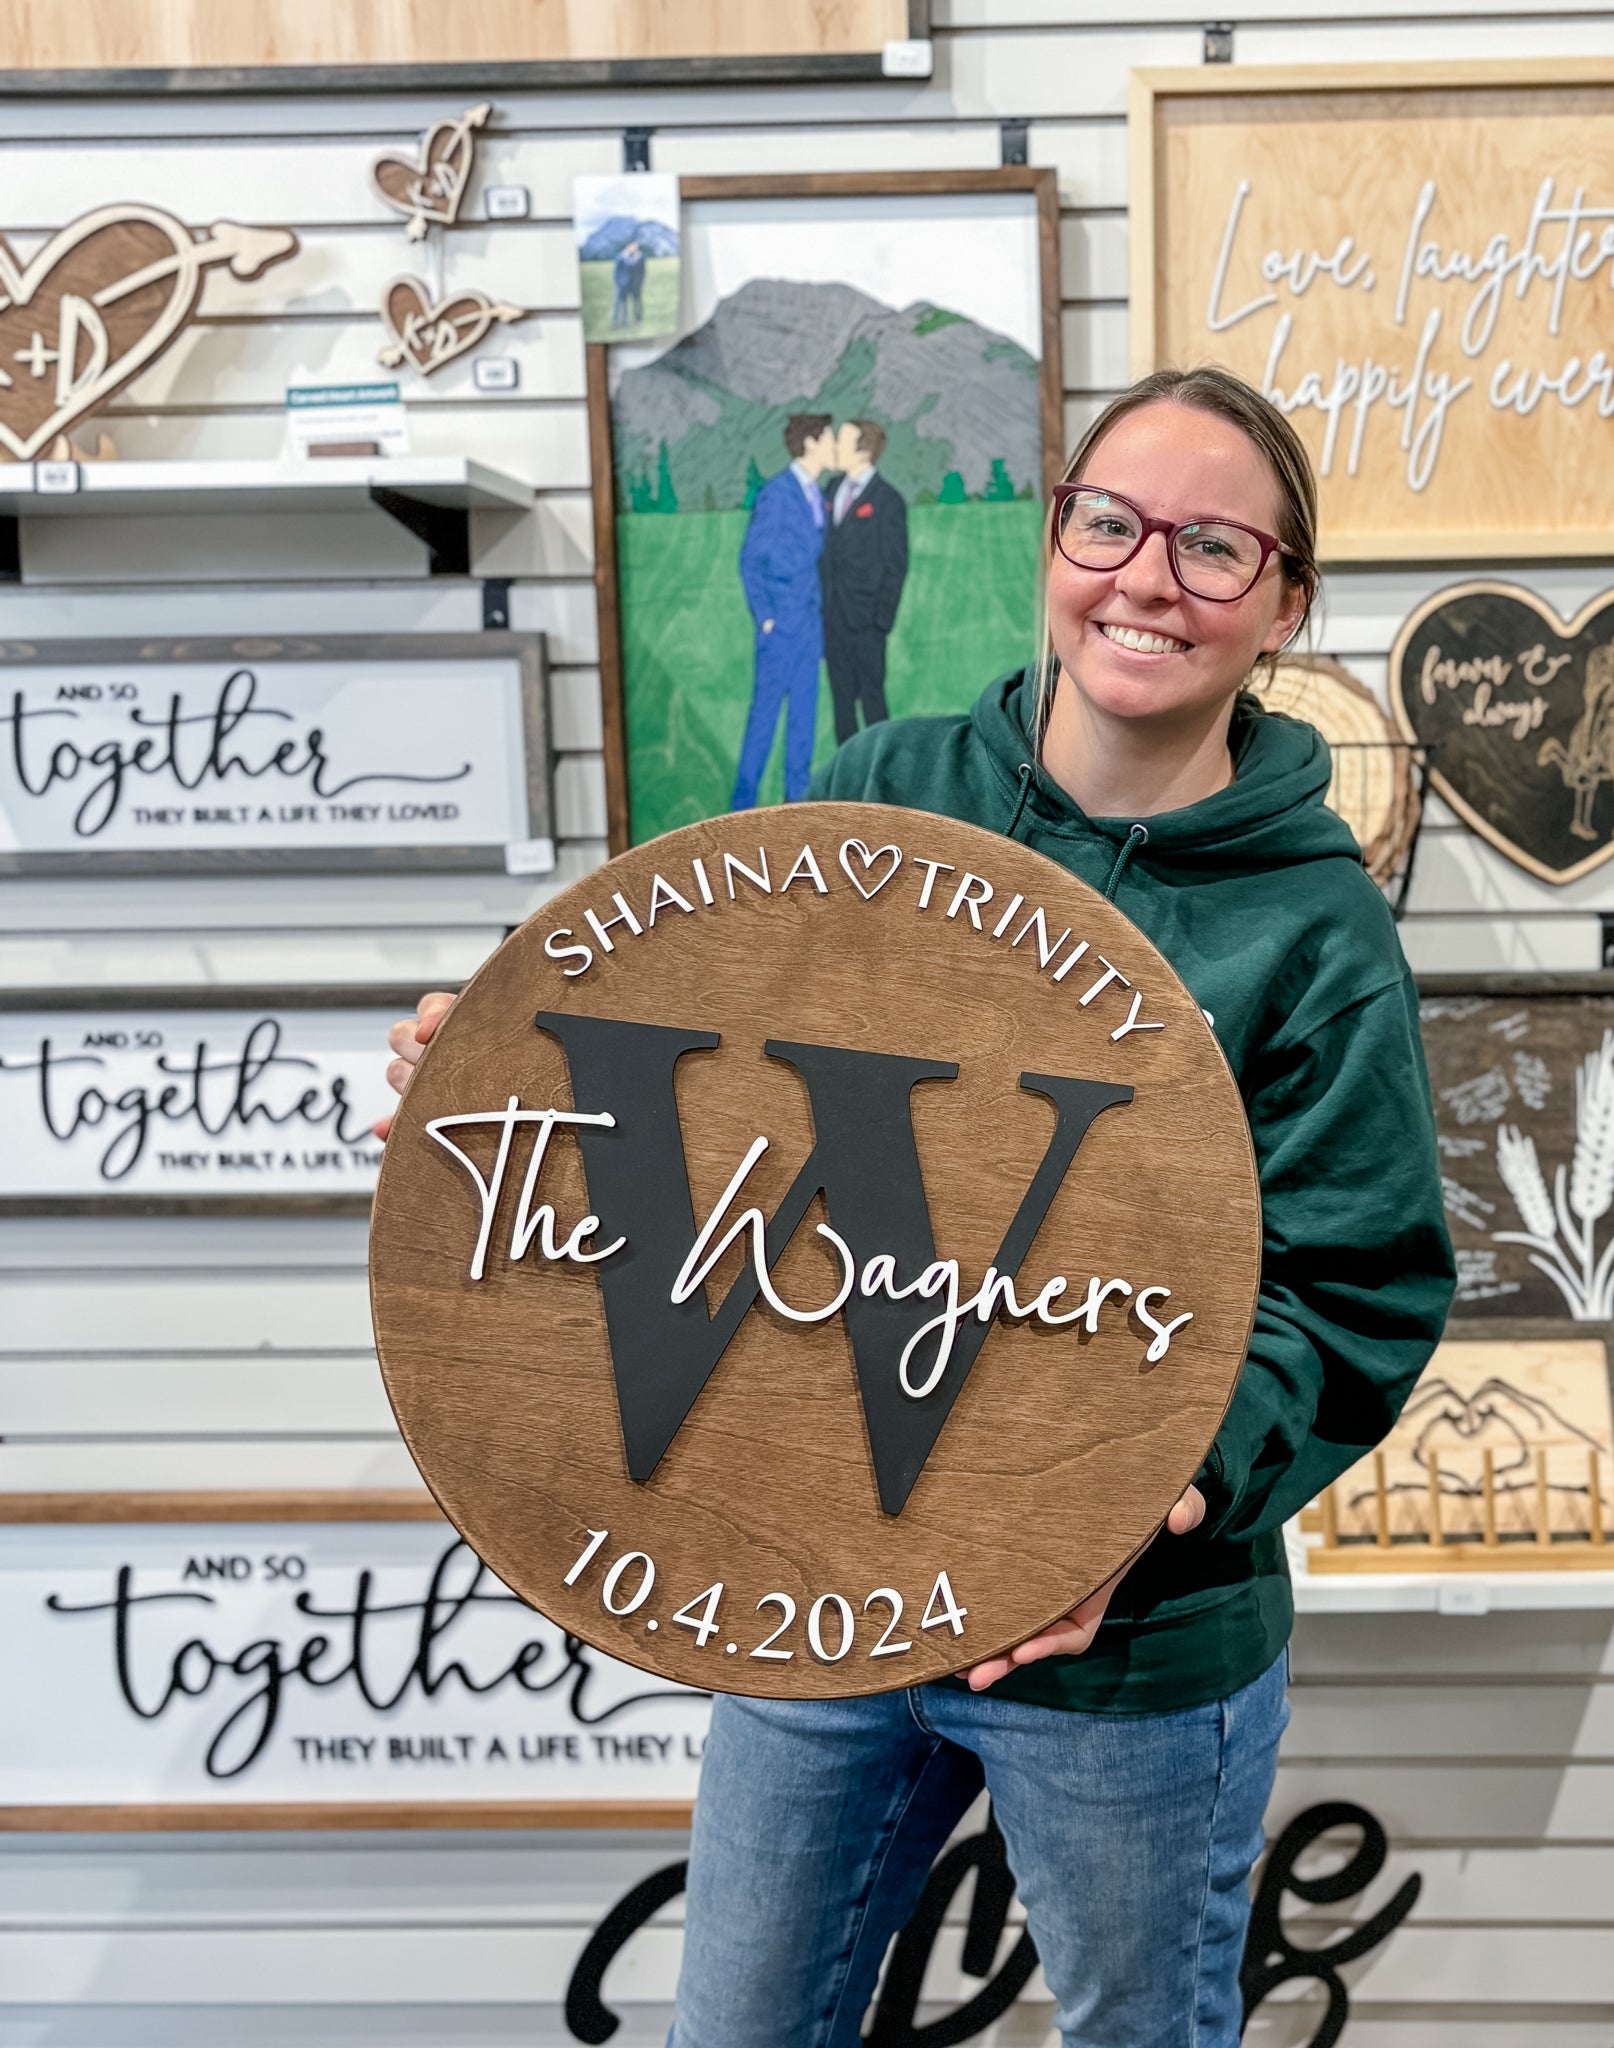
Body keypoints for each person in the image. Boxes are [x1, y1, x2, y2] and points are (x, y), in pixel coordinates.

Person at [380, 365, 1455, 2048]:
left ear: (1283, 606)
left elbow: (1358, 1289)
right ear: (1053, 539)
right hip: (822, 1588)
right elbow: (713, 1060)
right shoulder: (887, 785)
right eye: (1110, 521)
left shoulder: (1313, 925)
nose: (1146, 576)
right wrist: (518, 1080)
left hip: (1122, 1645)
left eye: (1212, 547)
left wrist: (1151, 1495)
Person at [733, 412, 835, 808]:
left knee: (803, 726)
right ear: (809, 443)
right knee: (764, 721)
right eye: (826, 438)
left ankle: (796, 811)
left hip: (810, 627)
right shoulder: (777, 494)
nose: (831, 447)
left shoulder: (816, 494)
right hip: (781, 632)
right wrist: (766, 617)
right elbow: (751, 560)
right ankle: (741, 807)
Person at [821, 416, 910, 742]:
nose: (835, 447)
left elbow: (896, 565)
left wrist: (880, 621)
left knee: (872, 700)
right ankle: (846, 782)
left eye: (842, 441)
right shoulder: (831, 489)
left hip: (867, 623)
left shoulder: (888, 500)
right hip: (833, 619)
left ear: (862, 450)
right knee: (841, 703)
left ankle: (877, 775)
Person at [610, 236, 646, 329]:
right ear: (628, 246)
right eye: (634, 246)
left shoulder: (638, 256)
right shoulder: (621, 257)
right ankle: (616, 321)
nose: (636, 247)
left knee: (636, 302)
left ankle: (634, 320)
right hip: (622, 284)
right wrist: (619, 283)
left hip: (634, 284)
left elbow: (642, 271)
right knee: (619, 303)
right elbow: (617, 272)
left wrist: (639, 282)